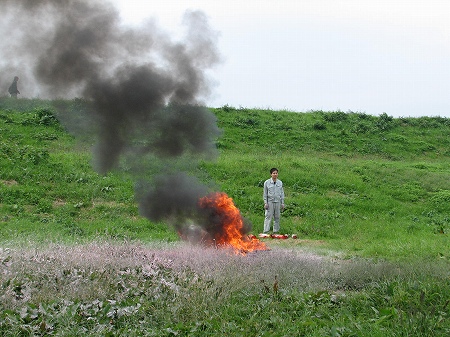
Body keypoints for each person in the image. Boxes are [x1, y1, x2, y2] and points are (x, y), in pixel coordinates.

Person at [263, 167, 285, 234]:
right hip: (270, 202)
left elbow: (282, 193)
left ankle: (276, 231)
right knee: (268, 216)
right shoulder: (267, 182)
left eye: (276, 173)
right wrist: (265, 203)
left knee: (277, 217)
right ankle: (266, 231)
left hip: (278, 202)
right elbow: (265, 193)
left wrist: (282, 203)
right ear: (271, 174)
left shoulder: (280, 182)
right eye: (273, 173)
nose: (275, 174)